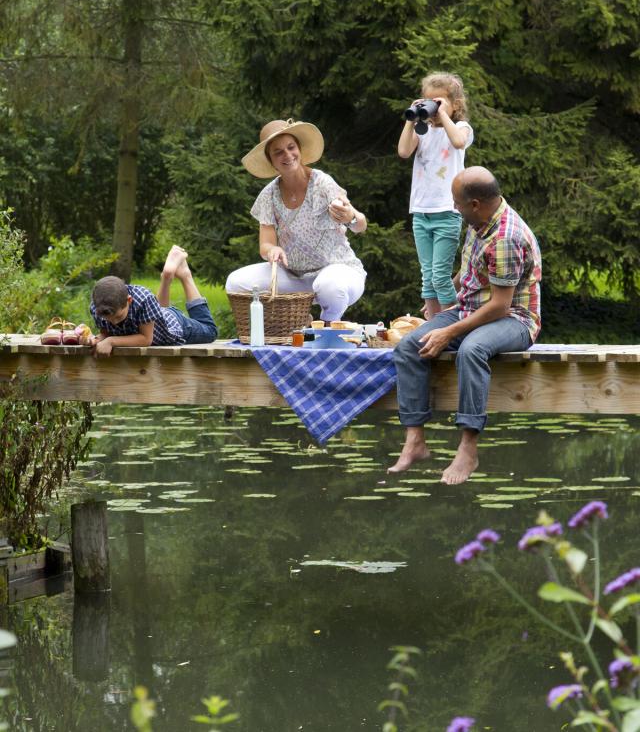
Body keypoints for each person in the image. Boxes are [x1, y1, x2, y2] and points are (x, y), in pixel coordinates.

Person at [388, 167, 541, 485]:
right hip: (469, 308)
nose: (454, 209)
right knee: (408, 348)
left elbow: (499, 305)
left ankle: (468, 448)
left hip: (513, 318)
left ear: (474, 203)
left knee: (472, 350)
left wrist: (448, 331)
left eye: (457, 203)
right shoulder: (479, 219)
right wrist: (446, 295)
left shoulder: (505, 237)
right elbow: (471, 268)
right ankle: (415, 441)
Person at [225, 119, 367, 323]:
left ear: (299, 149)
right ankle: (300, 320)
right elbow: (265, 244)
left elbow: (361, 225)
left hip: (338, 272)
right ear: (271, 161)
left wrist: (350, 217)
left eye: (291, 147)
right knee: (235, 283)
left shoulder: (322, 183)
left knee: (330, 287)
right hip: (294, 277)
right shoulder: (268, 195)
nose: (287, 155)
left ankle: (325, 326)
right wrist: (271, 250)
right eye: (278, 152)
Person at [398, 73, 474, 320]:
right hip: (421, 211)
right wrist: (411, 118)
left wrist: (441, 114)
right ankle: (433, 326)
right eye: (427, 101)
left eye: (438, 101)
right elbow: (403, 151)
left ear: (456, 104)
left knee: (440, 276)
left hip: (446, 212)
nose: (432, 106)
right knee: (427, 277)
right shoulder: (423, 132)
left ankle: (453, 325)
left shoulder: (461, 127)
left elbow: (459, 142)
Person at [89, 245, 218, 356]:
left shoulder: (143, 299)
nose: (114, 323)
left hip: (174, 326)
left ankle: (185, 276)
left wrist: (111, 341)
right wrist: (93, 339)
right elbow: (106, 333)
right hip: (156, 321)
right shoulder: (99, 306)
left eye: (118, 317)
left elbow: (146, 339)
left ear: (129, 300)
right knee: (157, 316)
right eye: (109, 319)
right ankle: (167, 276)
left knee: (210, 331)